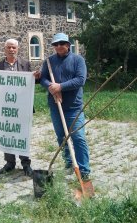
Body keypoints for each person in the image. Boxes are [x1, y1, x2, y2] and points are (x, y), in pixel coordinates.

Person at [0, 38, 40, 177]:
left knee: (22, 134)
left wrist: (36, 77)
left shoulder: (25, 64)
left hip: (22, 107)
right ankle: (9, 163)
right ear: (5, 49)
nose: (11, 50)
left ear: (17, 49)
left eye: (13, 48)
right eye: (9, 47)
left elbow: (31, 82)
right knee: (7, 133)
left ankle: (26, 164)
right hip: (5, 108)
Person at [40, 33, 91, 181]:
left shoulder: (78, 60)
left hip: (74, 107)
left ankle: (84, 169)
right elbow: (43, 78)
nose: (58, 46)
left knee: (78, 138)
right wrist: (50, 87)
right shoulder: (49, 61)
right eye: (55, 44)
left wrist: (60, 87)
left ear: (68, 45)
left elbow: (80, 80)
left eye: (61, 43)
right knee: (62, 137)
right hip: (56, 106)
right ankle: (69, 163)